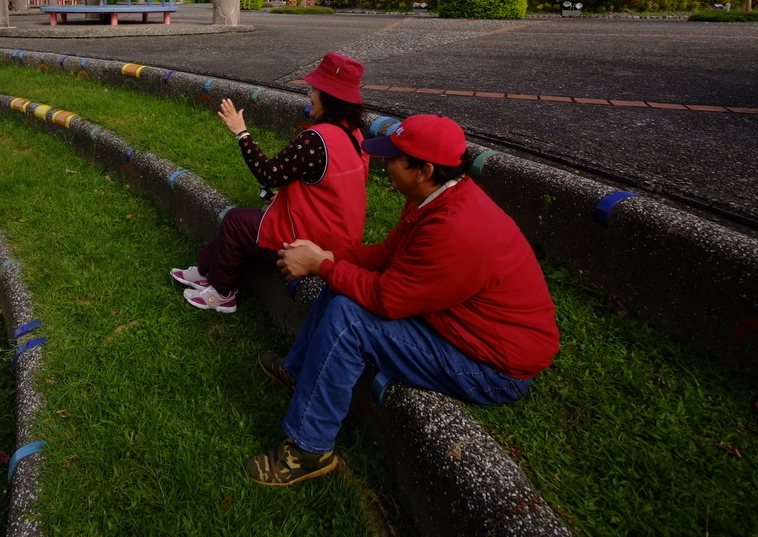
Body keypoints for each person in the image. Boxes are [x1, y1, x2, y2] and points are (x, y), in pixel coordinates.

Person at [244, 114, 560, 486]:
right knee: (342, 279)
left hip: (493, 368)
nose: (385, 164)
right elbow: (385, 255)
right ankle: (299, 373)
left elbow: (387, 299)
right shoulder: (434, 197)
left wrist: (321, 264)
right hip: (461, 328)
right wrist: (327, 258)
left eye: (395, 159)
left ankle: (310, 448)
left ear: (424, 170)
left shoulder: (454, 230)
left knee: (350, 318)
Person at [172, 53, 370, 313]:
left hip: (314, 241)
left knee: (236, 222)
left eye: (314, 89)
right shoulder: (354, 135)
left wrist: (241, 132)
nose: (309, 94)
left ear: (329, 98)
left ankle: (221, 293)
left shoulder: (315, 139)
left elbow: (269, 174)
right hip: (340, 235)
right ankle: (206, 270)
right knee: (249, 219)